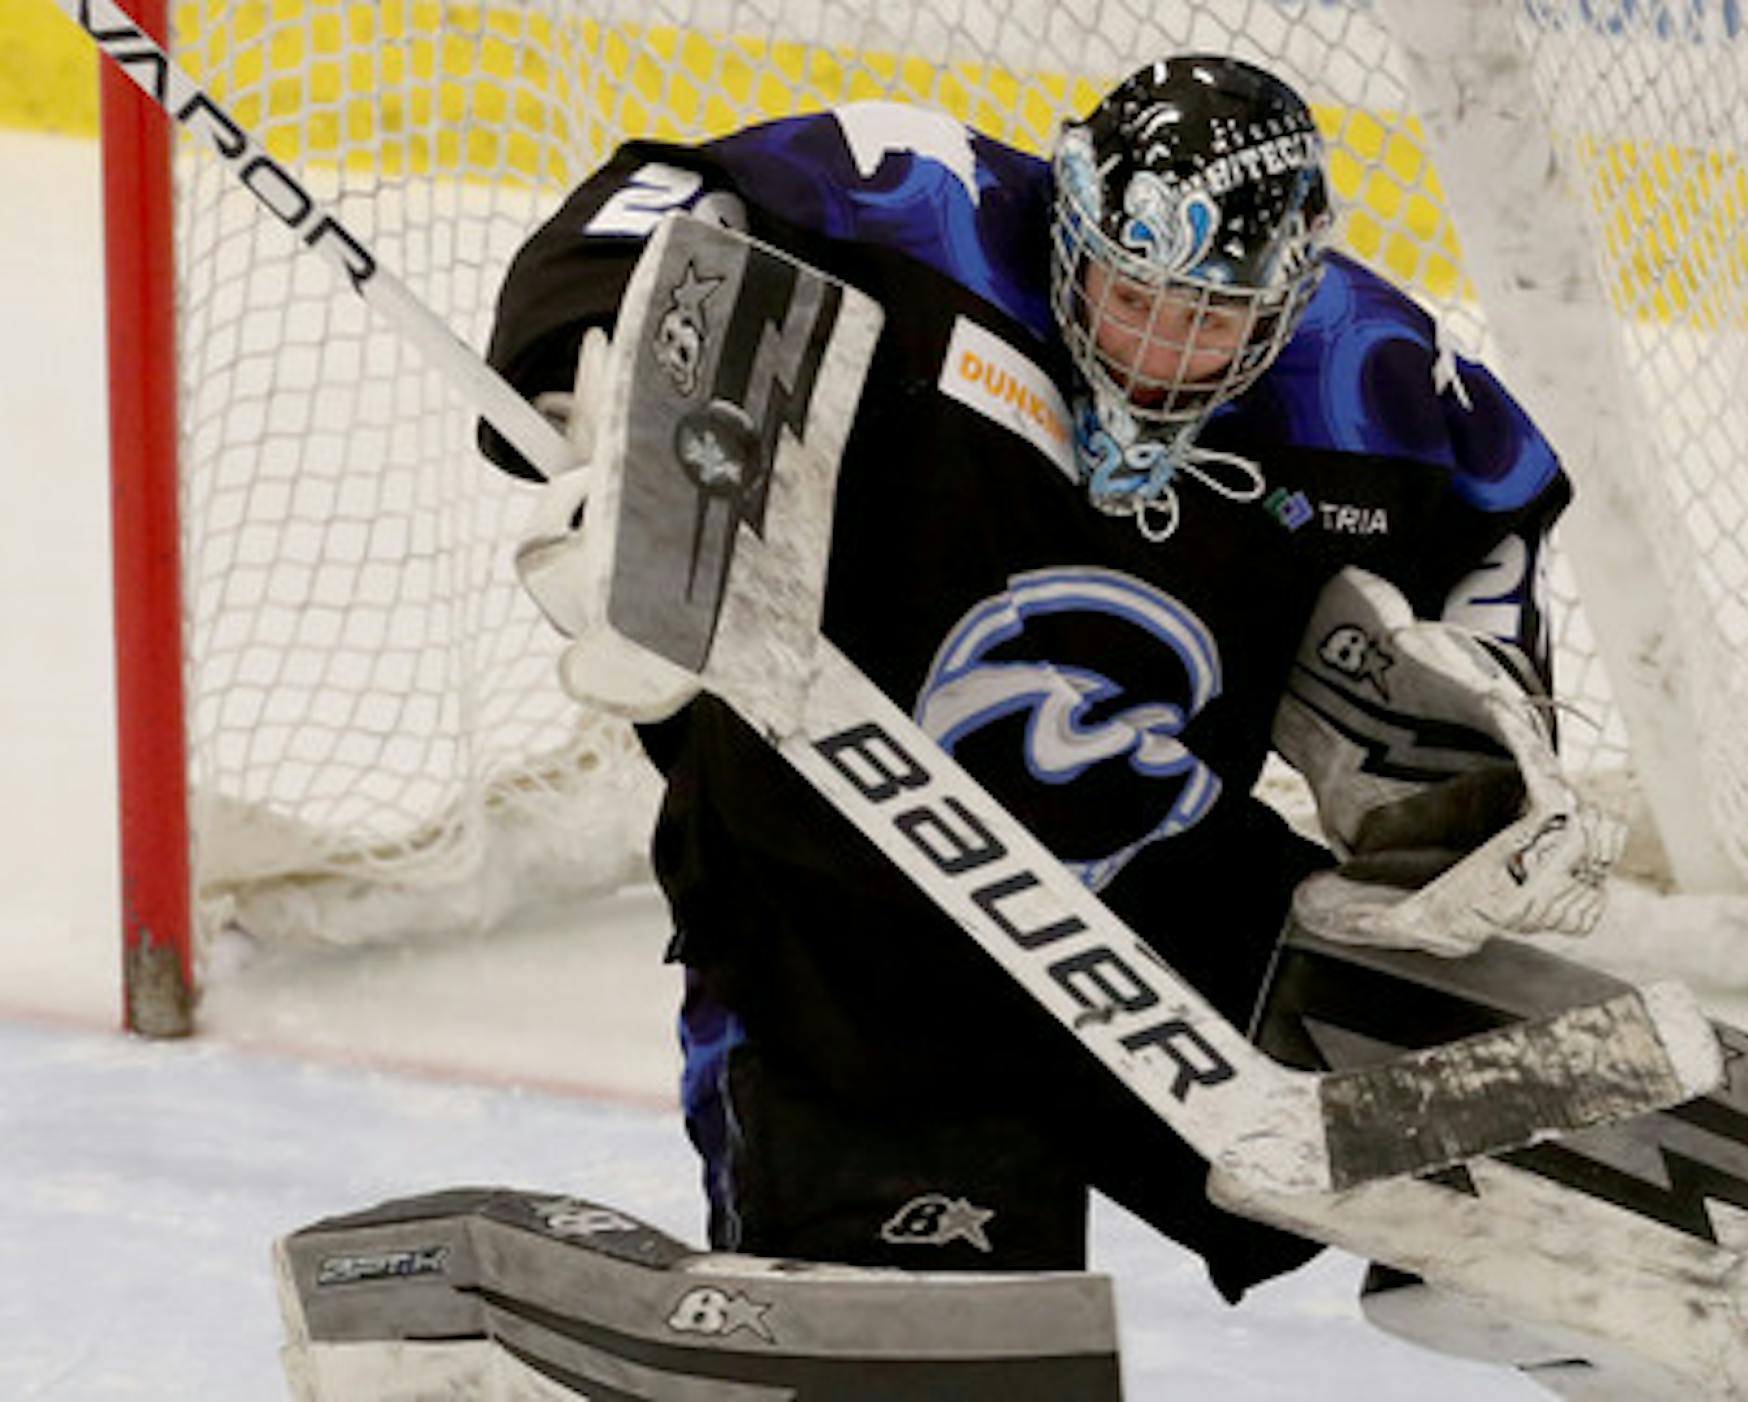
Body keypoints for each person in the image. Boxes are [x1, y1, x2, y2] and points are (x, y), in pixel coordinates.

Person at [481, 54, 1617, 1306]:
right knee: (952, 1351)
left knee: (1554, 1175)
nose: (1161, 352)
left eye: (1215, 316)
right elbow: (654, 197)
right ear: (1071, 222)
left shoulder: (1367, 375)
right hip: (839, 919)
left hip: (1158, 896)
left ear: (1289, 296)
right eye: (1134, 294)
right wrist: (601, 421)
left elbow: (1499, 506)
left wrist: (1497, 739)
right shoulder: (918, 199)